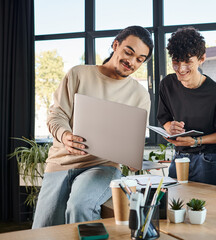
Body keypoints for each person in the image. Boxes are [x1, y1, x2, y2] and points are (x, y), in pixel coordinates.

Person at [32, 26, 154, 228]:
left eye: (139, 59)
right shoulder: (79, 74)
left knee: (80, 206)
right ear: (116, 45)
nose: (132, 62)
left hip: (102, 166)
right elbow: (57, 114)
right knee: (44, 228)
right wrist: (65, 136)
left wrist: (133, 159)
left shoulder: (140, 95)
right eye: (128, 52)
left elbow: (134, 140)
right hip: (61, 163)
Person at [157, 27, 216, 185]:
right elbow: (164, 118)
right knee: (174, 203)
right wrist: (170, 127)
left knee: (207, 206)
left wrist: (196, 141)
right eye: (176, 62)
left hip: (208, 160)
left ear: (202, 58)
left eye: (188, 62)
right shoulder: (167, 84)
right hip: (179, 157)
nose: (181, 69)